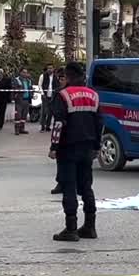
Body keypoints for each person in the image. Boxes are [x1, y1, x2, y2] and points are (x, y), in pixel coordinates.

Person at [49, 62, 101, 242]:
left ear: (68, 77)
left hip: (68, 147)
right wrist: (97, 146)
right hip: (88, 147)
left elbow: (58, 123)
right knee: (86, 186)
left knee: (69, 186)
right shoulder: (93, 95)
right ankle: (90, 227)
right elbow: (99, 123)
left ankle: (71, 228)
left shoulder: (63, 95)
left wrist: (54, 147)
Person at [50, 69, 67, 195]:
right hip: (64, 131)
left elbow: (58, 118)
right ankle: (61, 183)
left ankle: (66, 184)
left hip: (68, 131)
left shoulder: (63, 94)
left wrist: (53, 146)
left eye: (63, 79)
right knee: (61, 159)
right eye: (60, 79)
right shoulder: (58, 92)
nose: (62, 81)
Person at [13, 68, 33, 135]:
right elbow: (14, 88)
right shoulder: (17, 80)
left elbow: (31, 89)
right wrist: (20, 90)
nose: (25, 74)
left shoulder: (29, 81)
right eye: (23, 72)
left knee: (24, 115)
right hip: (19, 100)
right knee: (18, 115)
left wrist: (31, 95)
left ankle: (22, 129)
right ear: (20, 72)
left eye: (26, 72)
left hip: (27, 100)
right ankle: (17, 129)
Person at [37, 64, 55, 132]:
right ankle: (42, 126)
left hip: (52, 96)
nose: (50, 69)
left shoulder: (55, 76)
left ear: (53, 69)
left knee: (50, 112)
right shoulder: (42, 76)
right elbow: (39, 85)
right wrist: (42, 94)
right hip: (45, 96)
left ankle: (48, 126)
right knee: (44, 112)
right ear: (47, 69)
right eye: (48, 68)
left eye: (51, 68)